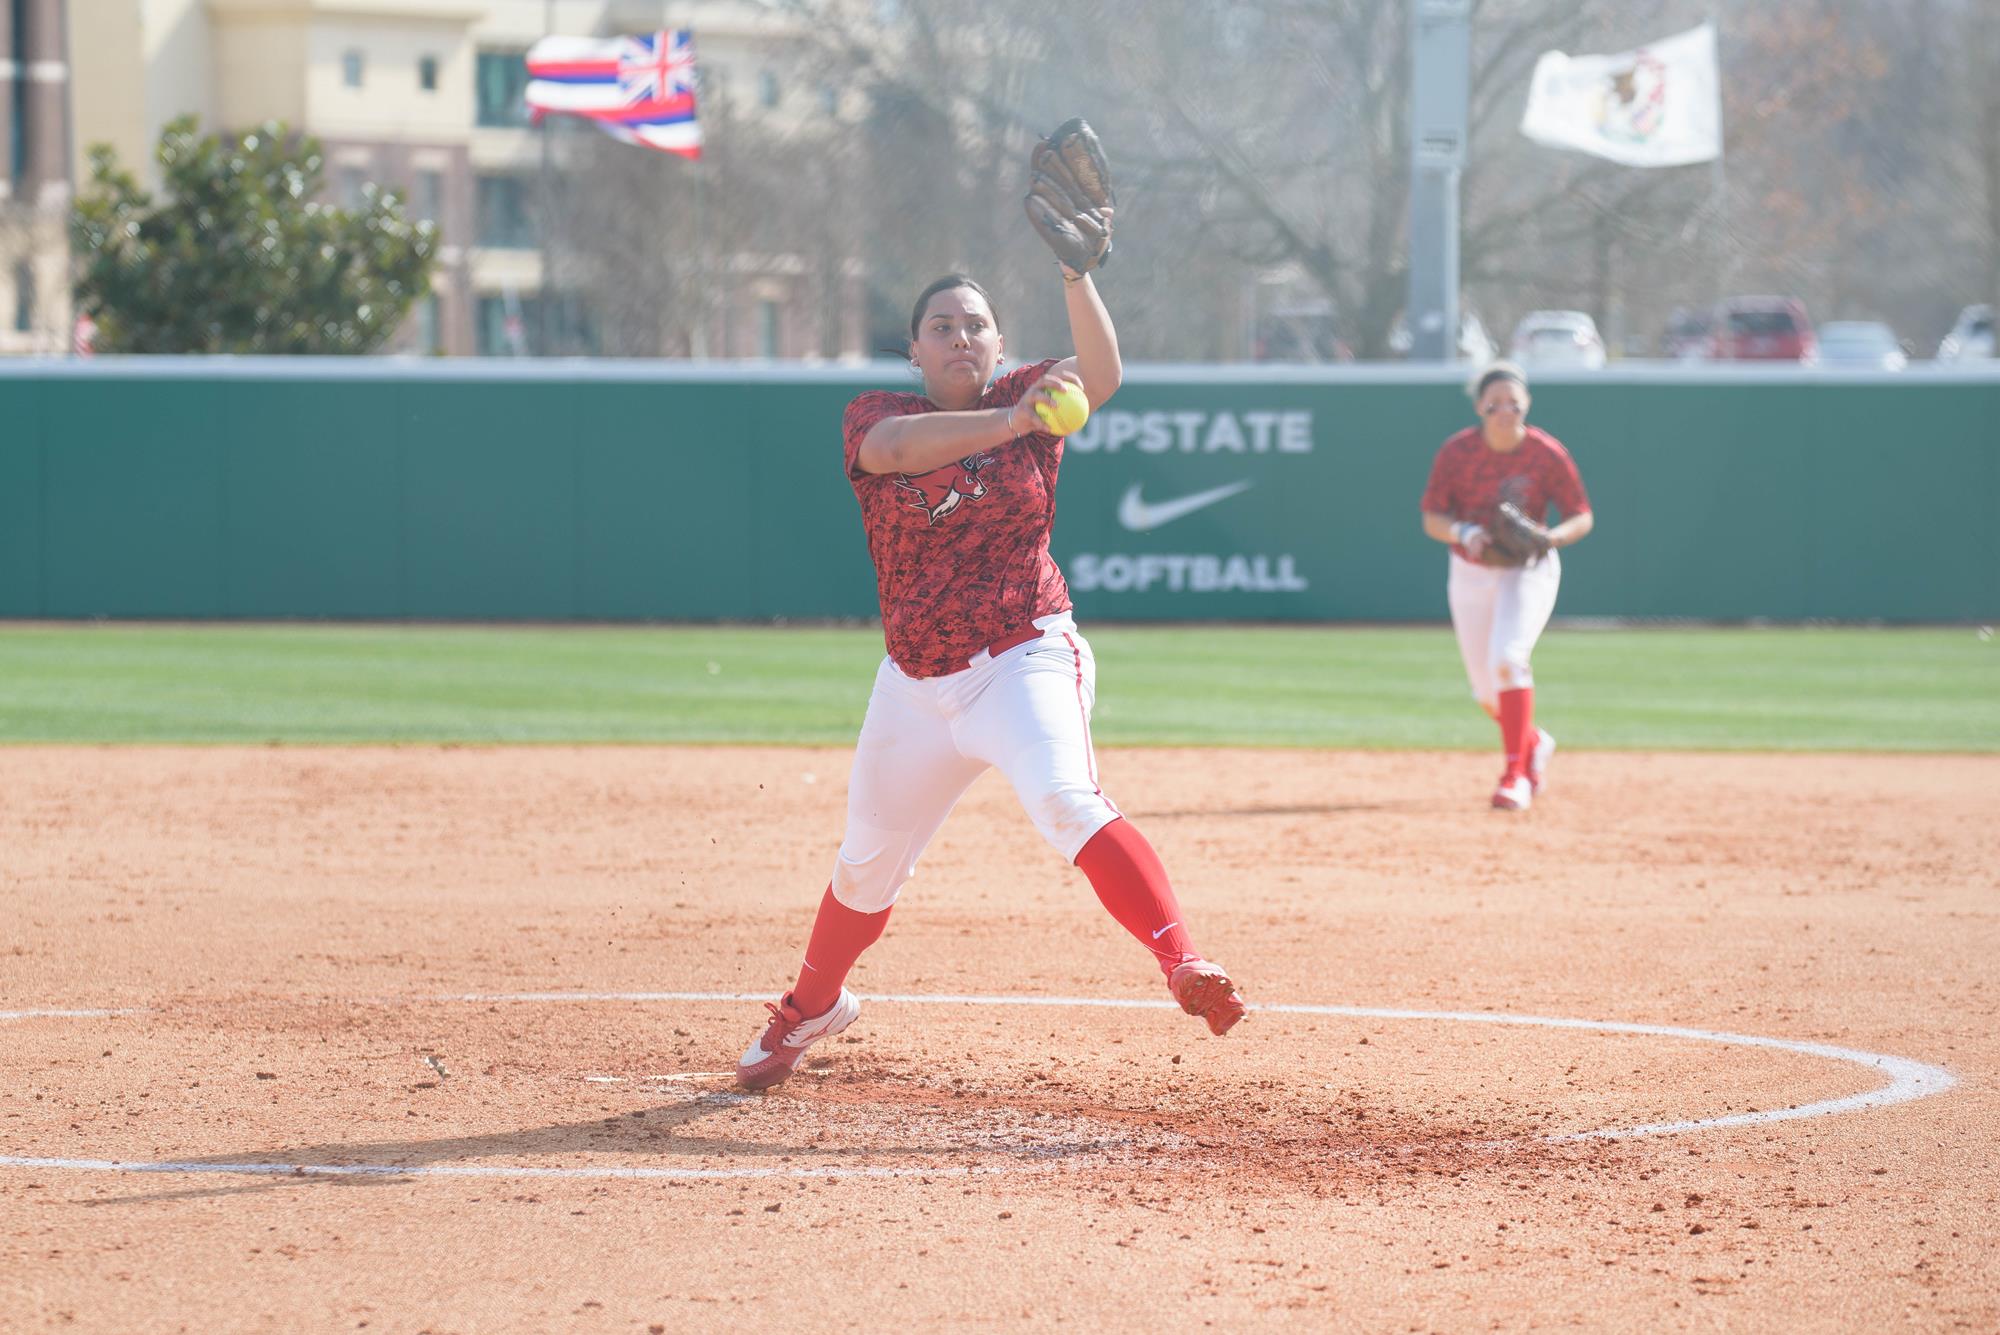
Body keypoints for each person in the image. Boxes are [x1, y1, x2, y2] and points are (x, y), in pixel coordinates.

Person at [734, 264, 1247, 1090]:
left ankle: (1183, 962)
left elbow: (1104, 374)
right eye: (941, 326)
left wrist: (1078, 276)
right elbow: (896, 454)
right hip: (914, 683)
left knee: (1064, 798)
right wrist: (1011, 420)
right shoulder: (881, 414)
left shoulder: (1031, 394)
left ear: (999, 341)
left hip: (1023, 655)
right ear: (913, 351)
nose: (959, 337)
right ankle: (812, 1005)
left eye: (975, 324)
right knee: (866, 862)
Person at [1419, 361, 1594, 811]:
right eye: (1494, 403)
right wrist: (1463, 532)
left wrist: (1552, 537)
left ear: (1526, 406)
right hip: (1472, 569)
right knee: (1485, 693)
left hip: (1527, 569)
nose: (1504, 411)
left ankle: (1515, 773)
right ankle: (1533, 742)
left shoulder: (1545, 453)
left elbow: (1580, 514)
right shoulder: (1457, 452)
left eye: (1513, 403)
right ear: (1480, 407)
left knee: (1509, 659)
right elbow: (1433, 518)